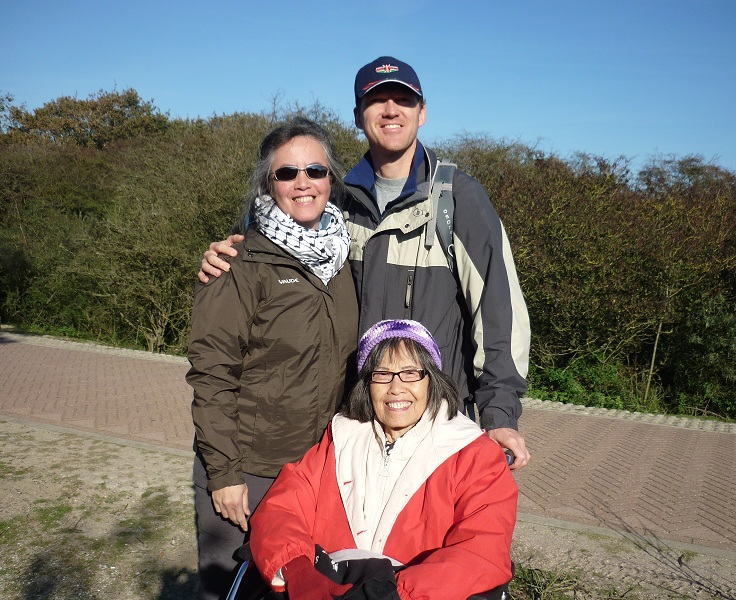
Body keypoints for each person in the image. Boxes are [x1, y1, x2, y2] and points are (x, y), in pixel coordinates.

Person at [199, 56, 532, 470]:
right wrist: (225, 255)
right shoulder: (334, 198)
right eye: (377, 100)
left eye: (403, 100)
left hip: (433, 426)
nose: (391, 110)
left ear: (422, 112)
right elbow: (268, 246)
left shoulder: (458, 199)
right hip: (355, 426)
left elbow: (499, 313)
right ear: (358, 116)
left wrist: (500, 415)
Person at [186, 118, 359, 600]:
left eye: (315, 170)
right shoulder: (238, 264)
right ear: (269, 182)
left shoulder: (345, 260)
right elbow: (212, 375)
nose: (303, 182)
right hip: (251, 469)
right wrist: (224, 474)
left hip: (316, 470)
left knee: (302, 588)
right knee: (234, 590)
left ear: (331, 178)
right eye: (287, 173)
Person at [248, 319, 518, 600]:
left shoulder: (476, 455)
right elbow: (281, 509)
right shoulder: (339, 439)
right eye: (382, 374)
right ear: (367, 384)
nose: (396, 387)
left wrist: (392, 594)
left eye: (410, 373)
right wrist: (299, 572)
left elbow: (482, 551)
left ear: (432, 380)